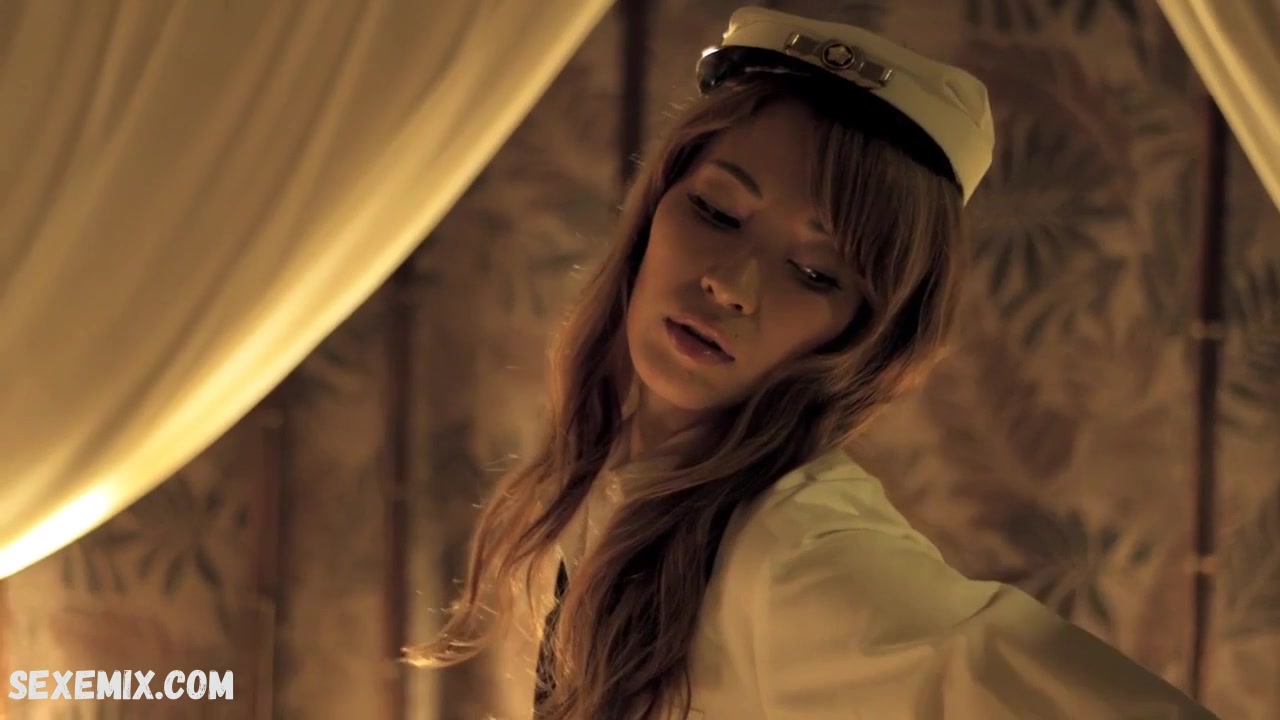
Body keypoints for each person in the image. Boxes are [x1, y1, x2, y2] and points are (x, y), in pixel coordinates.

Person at [406, 7, 1220, 720]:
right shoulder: (622, 474)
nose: (730, 284)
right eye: (717, 211)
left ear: (868, 330)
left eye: (814, 272)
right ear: (655, 205)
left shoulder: (798, 555)